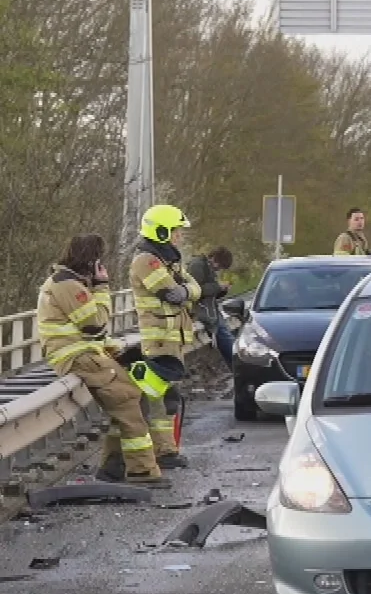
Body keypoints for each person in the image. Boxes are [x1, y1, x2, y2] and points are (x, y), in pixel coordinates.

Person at [39, 235, 169, 486]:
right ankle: (141, 471)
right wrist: (101, 287)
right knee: (128, 400)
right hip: (78, 357)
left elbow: (89, 330)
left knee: (126, 401)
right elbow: (95, 324)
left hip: (80, 354)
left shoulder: (65, 281)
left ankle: (113, 467)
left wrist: (111, 348)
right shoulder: (69, 286)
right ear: (92, 260)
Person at [129, 204, 199, 469]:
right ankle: (165, 452)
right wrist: (187, 290)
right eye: (175, 231)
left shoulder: (168, 259)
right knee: (160, 398)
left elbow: (193, 288)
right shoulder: (147, 261)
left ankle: (167, 449)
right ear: (160, 232)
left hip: (172, 337)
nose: (179, 236)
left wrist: (188, 290)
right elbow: (172, 293)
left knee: (169, 396)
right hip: (159, 339)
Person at [185, 246, 235, 366]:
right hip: (201, 311)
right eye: (219, 265)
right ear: (213, 258)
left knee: (227, 338)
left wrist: (223, 290)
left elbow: (211, 294)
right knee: (226, 339)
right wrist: (218, 287)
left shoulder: (208, 268)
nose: (218, 269)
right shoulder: (197, 266)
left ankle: (237, 366)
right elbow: (196, 291)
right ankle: (238, 365)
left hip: (210, 310)